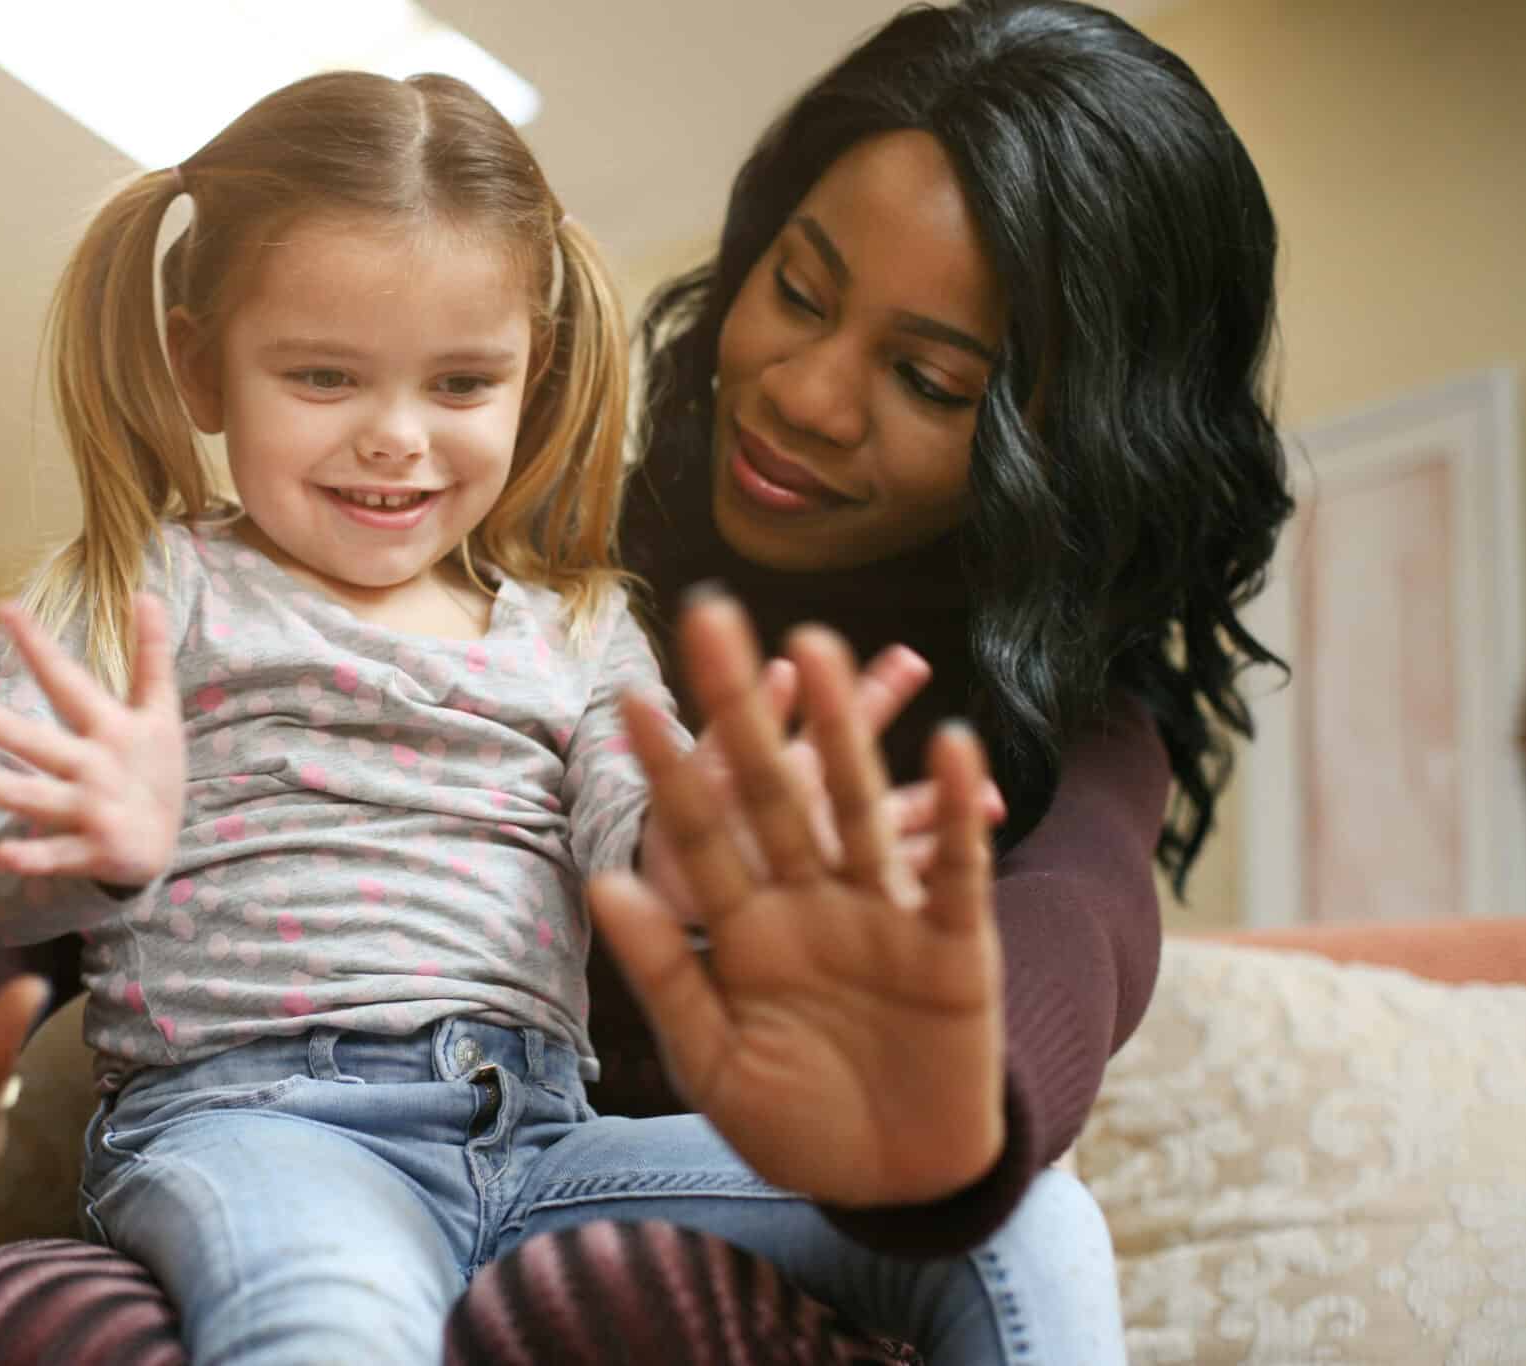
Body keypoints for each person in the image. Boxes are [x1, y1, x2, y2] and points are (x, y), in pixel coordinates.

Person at [0, 66, 1059, 1366]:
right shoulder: (142, 585)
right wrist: (79, 838)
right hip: (256, 1124)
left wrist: (730, 842)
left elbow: (634, 822)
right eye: (323, 378)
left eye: (460, 384)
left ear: (531, 373)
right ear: (198, 369)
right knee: (330, 1323)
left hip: (541, 1135)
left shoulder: (577, 620)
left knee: (1023, 1224)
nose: (397, 436)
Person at [458, 0, 1290, 1357]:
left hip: (719, 1256)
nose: (807, 394)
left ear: (1071, 447)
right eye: (795, 290)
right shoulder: (536, 553)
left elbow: (1074, 915)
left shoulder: (1063, 719)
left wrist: (936, 1106)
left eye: (925, 378)